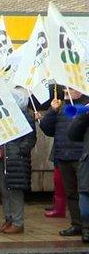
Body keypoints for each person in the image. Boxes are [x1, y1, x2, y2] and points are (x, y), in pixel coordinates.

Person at [40, 87, 89, 237]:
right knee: (71, 193)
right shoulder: (60, 107)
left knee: (84, 193)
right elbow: (47, 129)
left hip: (81, 156)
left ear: (79, 91)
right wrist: (51, 111)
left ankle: (86, 227)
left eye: (70, 90)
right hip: (63, 156)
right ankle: (77, 224)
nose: (66, 92)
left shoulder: (85, 107)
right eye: (65, 90)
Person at [0, 88, 36, 234]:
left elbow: (30, 139)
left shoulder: (25, 117)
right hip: (3, 158)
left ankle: (17, 221)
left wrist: (19, 151)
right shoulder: (3, 116)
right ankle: (8, 219)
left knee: (14, 192)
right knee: (4, 191)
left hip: (16, 160)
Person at [67, 100, 89, 243]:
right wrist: (84, 115)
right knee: (85, 199)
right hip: (87, 164)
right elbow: (72, 134)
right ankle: (86, 230)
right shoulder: (86, 114)